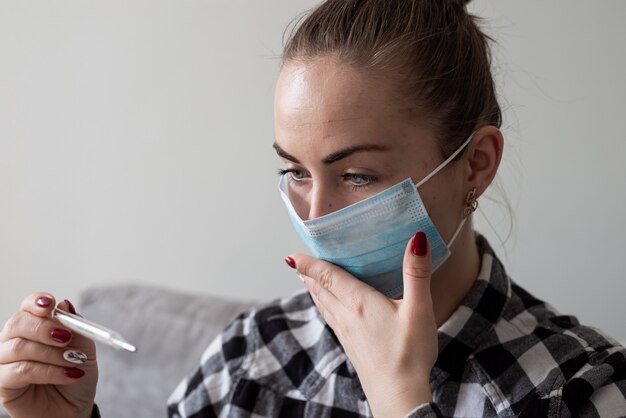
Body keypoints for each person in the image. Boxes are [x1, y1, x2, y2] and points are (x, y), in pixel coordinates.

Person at [1, 0, 625, 417]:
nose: (317, 214)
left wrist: (400, 397)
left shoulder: (582, 386)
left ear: (477, 163)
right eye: (296, 171)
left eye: (357, 174)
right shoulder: (252, 355)